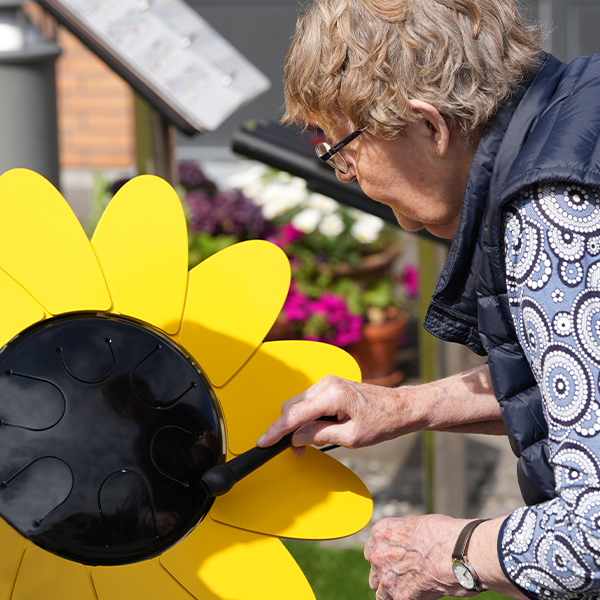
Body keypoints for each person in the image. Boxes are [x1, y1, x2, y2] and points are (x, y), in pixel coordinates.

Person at [256, 0, 600, 599]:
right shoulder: (582, 106)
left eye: (342, 149)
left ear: (430, 125)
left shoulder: (552, 212)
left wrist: (451, 552)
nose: (349, 177)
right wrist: (408, 406)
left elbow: (592, 534)